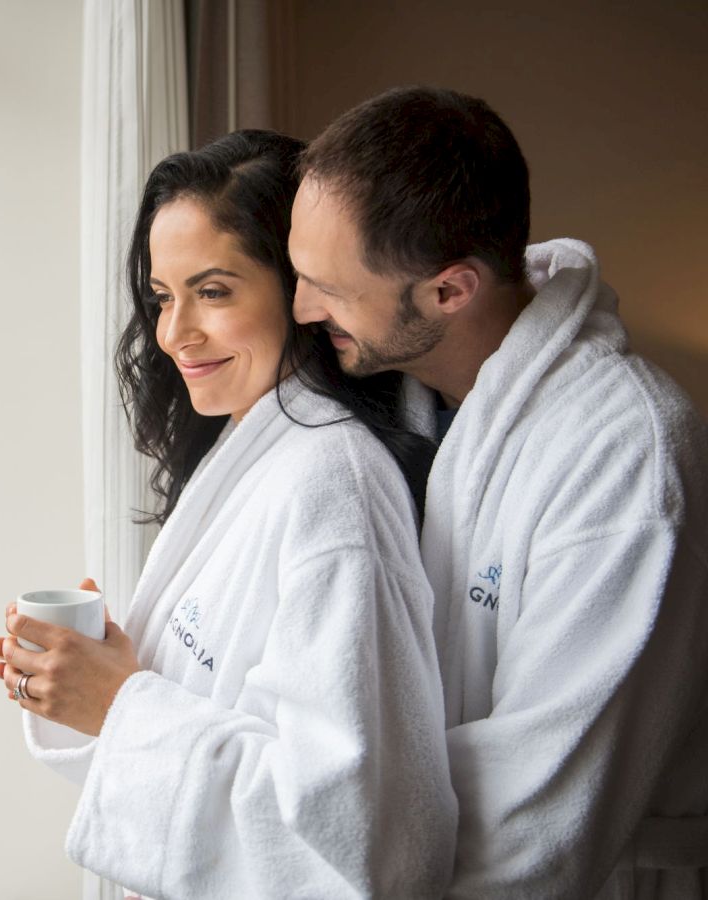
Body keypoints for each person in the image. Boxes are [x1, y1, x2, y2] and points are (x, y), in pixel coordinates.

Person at [0, 130, 457, 898]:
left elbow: (358, 837)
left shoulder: (332, 485)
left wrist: (120, 702)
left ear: (300, 290)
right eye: (163, 297)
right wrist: (97, 676)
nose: (174, 334)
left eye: (214, 291)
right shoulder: (253, 448)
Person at [287, 86, 708, 898]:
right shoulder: (403, 406)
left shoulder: (627, 461)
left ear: (451, 291)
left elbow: (540, 825)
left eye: (330, 289)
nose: (303, 309)